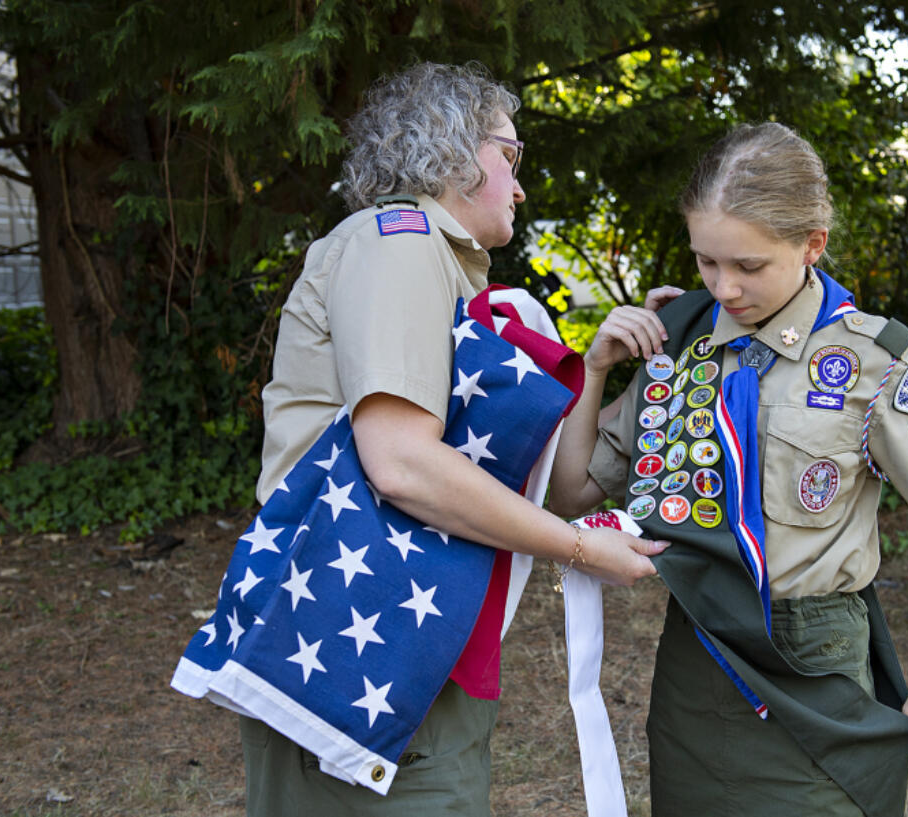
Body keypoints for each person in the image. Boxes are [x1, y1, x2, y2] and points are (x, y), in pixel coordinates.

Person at [549, 122, 908, 817]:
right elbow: (574, 490)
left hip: (815, 660)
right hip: (699, 653)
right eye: (707, 262)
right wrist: (593, 371)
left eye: (748, 265)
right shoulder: (682, 342)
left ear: (811, 244)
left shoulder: (871, 360)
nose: (724, 287)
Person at [243, 61, 664, 817]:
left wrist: (598, 366)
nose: (521, 183)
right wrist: (572, 547)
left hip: (404, 623)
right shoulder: (398, 241)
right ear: (458, 150)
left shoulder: (446, 271)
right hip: (354, 623)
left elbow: (553, 489)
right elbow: (401, 463)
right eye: (512, 156)